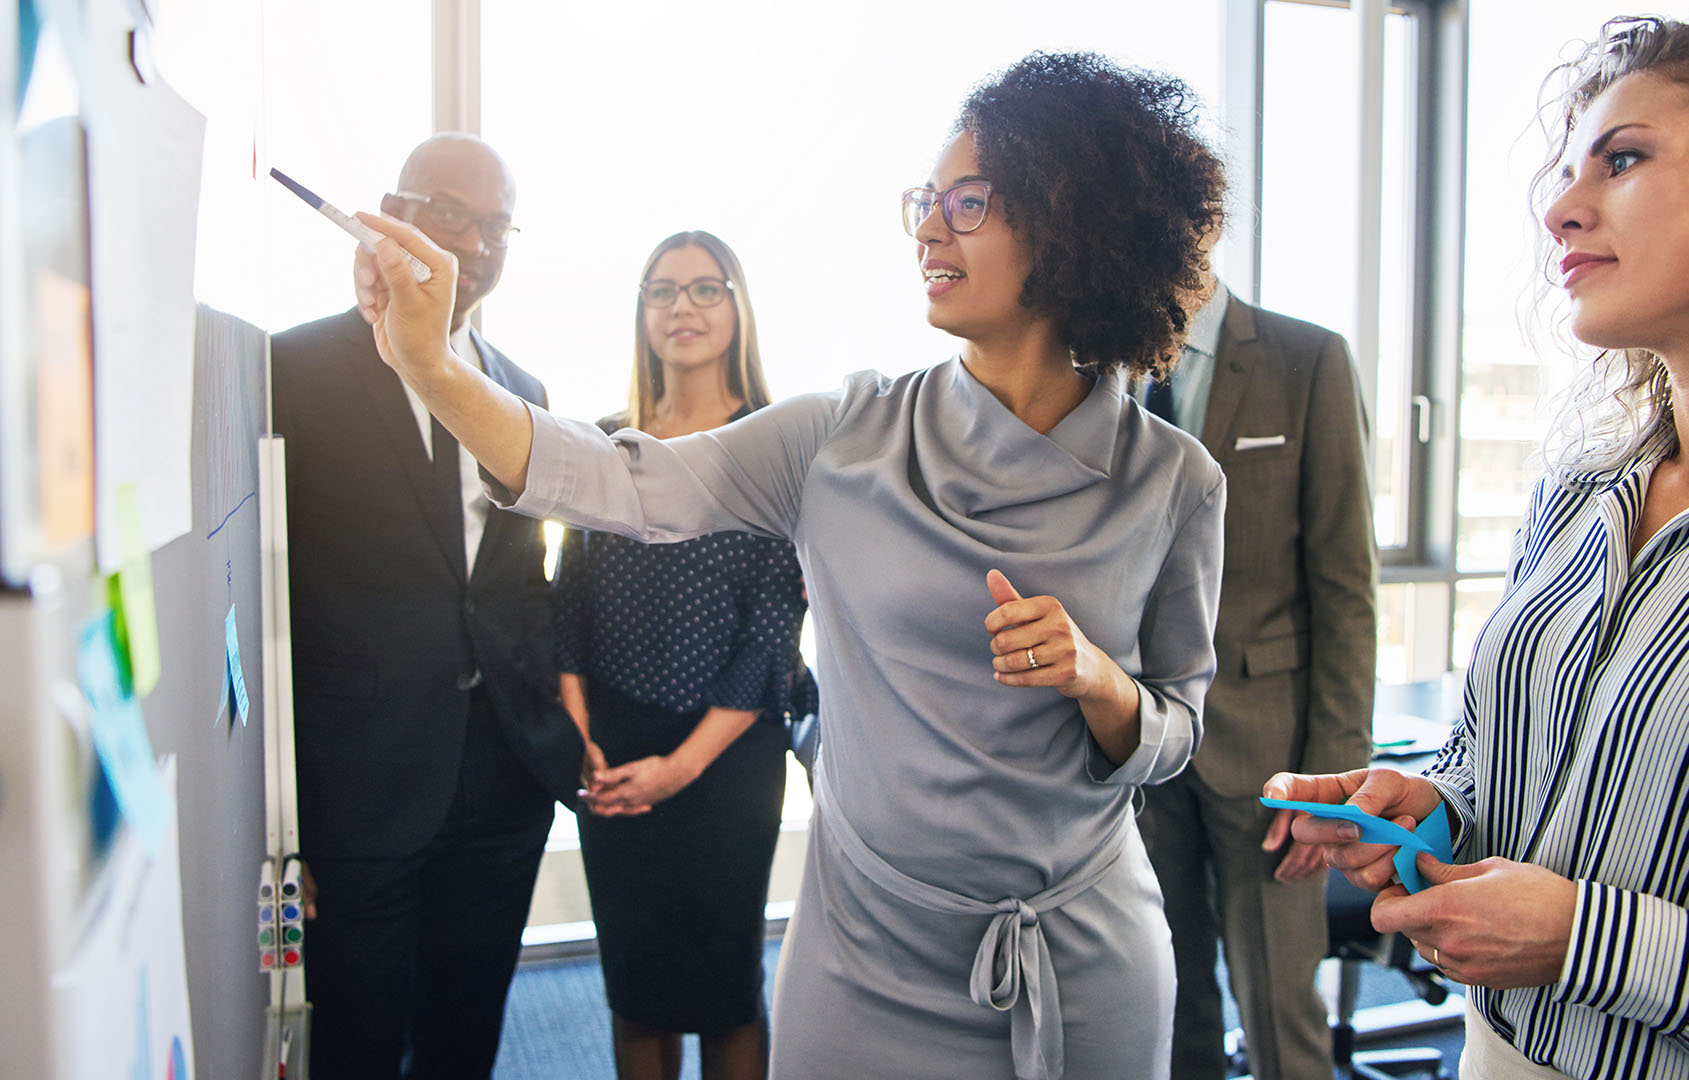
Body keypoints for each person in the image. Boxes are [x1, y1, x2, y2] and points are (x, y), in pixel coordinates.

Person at [354, 52, 1227, 1080]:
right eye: (927, 201)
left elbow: (1175, 732)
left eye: (970, 201)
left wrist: (1100, 680)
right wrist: (432, 367)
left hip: (1082, 959)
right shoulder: (839, 437)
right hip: (867, 957)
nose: (930, 229)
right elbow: (610, 479)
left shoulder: (1176, 481)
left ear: (1074, 223)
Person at [1269, 8, 1689, 1079]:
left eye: (1623, 160)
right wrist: (1434, 809)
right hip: (1487, 1051)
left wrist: (1591, 942)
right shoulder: (1579, 494)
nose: (1561, 209)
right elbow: (1511, 774)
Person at [271, 132, 585, 1080]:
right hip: (358, 786)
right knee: (357, 1041)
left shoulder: (521, 392)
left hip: (501, 778)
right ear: (393, 212)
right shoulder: (294, 369)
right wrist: (287, 822)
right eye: (452, 213)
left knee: (465, 1030)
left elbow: (516, 582)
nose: (477, 243)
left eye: (497, 225)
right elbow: (269, 598)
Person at [551, 230, 808, 1080]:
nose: (681, 307)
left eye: (705, 288)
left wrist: (682, 768)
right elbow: (569, 603)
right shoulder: (604, 442)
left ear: (738, 308)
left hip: (727, 755)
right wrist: (580, 741)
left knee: (725, 986)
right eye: (661, 291)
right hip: (612, 748)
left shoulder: (774, 448)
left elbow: (773, 628)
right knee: (634, 985)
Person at [1135, 280, 1376, 1080]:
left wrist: (1332, 780)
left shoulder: (1306, 359)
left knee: (1280, 1015)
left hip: (1272, 757)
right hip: (1136, 742)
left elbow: (1345, 589)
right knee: (1166, 1003)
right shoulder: (1098, 360)